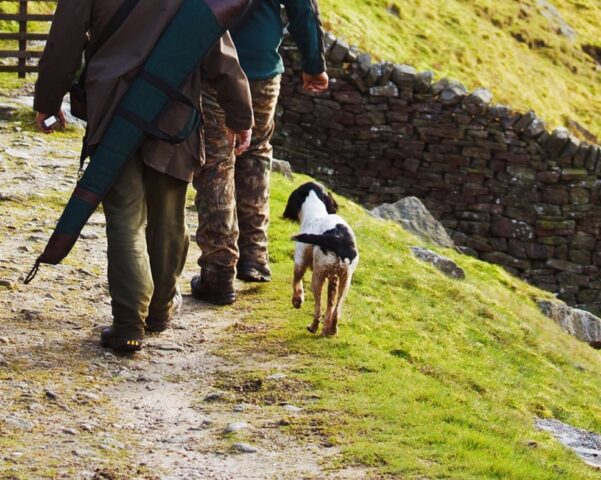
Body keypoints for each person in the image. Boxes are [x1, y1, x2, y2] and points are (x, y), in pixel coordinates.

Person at [33, 0, 254, 352]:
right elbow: (216, 47)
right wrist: (240, 115)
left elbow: (64, 41)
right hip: (173, 109)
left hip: (111, 109)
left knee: (124, 217)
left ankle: (128, 325)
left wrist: (47, 99)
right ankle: (159, 311)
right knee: (168, 216)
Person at [192, 0, 329, 305]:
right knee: (255, 154)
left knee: (216, 162)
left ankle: (218, 271)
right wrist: (313, 64)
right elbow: (303, 8)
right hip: (261, 69)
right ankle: (254, 256)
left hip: (211, 64)